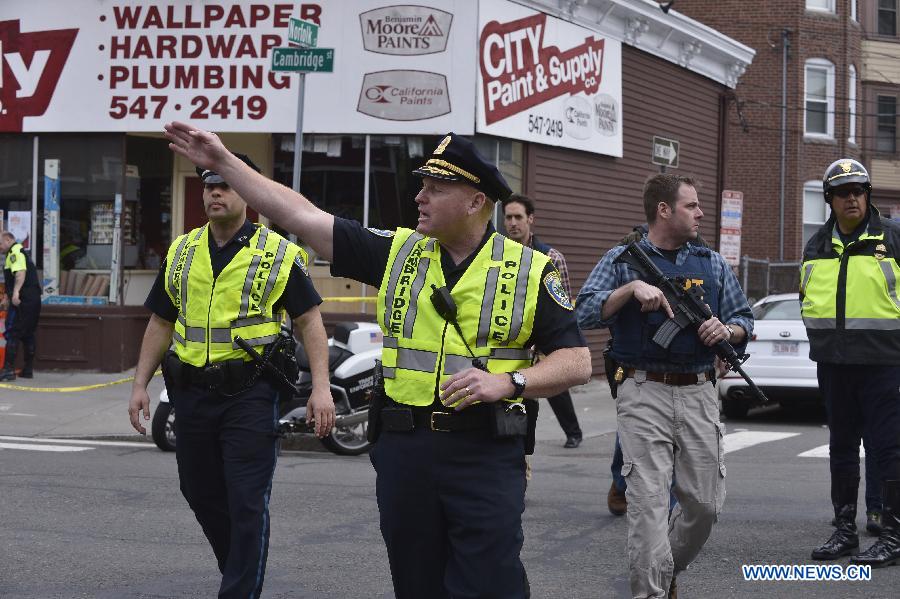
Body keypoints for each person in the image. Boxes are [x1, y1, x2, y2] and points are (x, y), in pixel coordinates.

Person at [163, 122, 592, 599]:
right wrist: (225, 163)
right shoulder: (397, 251)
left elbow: (576, 361)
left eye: (435, 189)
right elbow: (304, 217)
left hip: (484, 453)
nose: (419, 198)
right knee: (415, 582)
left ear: (475, 202)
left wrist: (509, 381)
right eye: (421, 187)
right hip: (405, 452)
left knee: (491, 583)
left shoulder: (531, 269)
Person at [127, 153, 335, 599]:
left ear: (250, 194)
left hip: (250, 394)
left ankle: (239, 589)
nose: (216, 193)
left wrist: (321, 388)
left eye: (226, 185)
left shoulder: (279, 253)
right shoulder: (182, 250)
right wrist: (140, 384)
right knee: (198, 489)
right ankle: (238, 568)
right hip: (191, 394)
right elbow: (161, 321)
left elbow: (309, 321)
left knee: (245, 499)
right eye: (209, 186)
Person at [576, 174, 753, 599]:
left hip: (699, 390)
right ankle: (651, 590)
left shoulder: (710, 262)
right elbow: (582, 311)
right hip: (643, 389)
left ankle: (664, 569)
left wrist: (725, 330)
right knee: (648, 507)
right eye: (691, 205)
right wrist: (630, 289)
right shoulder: (622, 259)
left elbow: (745, 319)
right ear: (664, 210)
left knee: (705, 505)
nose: (700, 213)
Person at [802, 159, 900, 568]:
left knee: (889, 450)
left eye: (859, 190)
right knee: (842, 448)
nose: (852, 198)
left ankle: (893, 535)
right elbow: (810, 298)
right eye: (843, 192)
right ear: (830, 200)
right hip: (834, 364)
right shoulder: (817, 245)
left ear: (867, 195)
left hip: (884, 363)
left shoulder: (891, 237)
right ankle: (845, 532)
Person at [503, 193, 584, 448]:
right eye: (508, 217)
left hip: (544, 330)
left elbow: (564, 303)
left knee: (553, 384)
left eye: (518, 217)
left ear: (531, 220)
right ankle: (517, 437)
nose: (513, 223)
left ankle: (573, 432)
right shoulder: (496, 254)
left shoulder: (551, 257)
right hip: (511, 330)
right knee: (515, 385)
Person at [0, 231, 41, 381]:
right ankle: (28, 370)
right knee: (28, 333)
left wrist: (15, 293)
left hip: (23, 300)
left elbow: (20, 273)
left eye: (1, 243)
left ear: (9, 239)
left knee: (13, 331)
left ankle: (8, 370)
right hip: (32, 299)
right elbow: (12, 278)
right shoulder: (18, 252)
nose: (0, 247)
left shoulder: (15, 252)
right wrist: (7, 296)